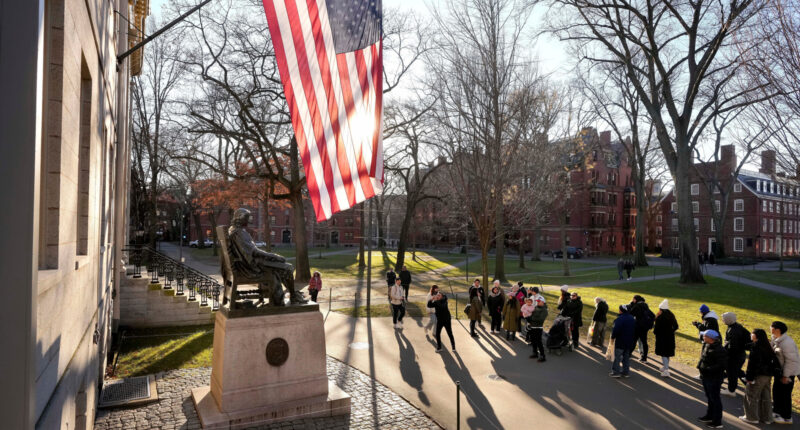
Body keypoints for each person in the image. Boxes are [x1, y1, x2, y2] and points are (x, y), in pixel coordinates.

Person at [739, 329, 778, 425]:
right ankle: (767, 418)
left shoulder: (756, 348)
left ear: (756, 336)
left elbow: (753, 364)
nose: (751, 335)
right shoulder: (767, 345)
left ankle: (751, 417)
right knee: (766, 397)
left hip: (758, 375)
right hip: (768, 375)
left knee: (751, 395)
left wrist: (749, 378)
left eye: (752, 333)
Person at [771, 321, 800, 425]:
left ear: (777, 330)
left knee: (785, 395)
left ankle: (787, 417)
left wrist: (786, 376)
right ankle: (777, 412)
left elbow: (791, 361)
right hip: (780, 372)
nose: (770, 329)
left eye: (772, 327)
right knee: (777, 392)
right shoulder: (776, 339)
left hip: (788, 373)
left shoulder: (787, 343)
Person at [697, 329, 727, 429]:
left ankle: (717, 422)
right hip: (706, 376)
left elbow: (721, 365)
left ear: (711, 338)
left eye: (704, 336)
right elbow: (703, 358)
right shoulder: (707, 344)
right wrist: (700, 366)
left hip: (714, 378)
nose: (703, 337)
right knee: (710, 398)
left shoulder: (719, 350)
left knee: (715, 399)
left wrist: (708, 369)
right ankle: (709, 416)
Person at [721, 312, 750, 397]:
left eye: (724, 319)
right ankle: (750, 386)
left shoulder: (733, 331)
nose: (722, 320)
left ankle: (731, 390)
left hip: (734, 357)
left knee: (732, 373)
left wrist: (725, 351)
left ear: (728, 320)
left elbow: (732, 346)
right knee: (738, 372)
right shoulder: (737, 326)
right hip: (740, 355)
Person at [653, 299, 678, 377]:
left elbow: (656, 329)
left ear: (661, 310)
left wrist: (656, 318)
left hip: (661, 338)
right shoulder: (671, 315)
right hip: (670, 337)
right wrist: (671, 331)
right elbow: (676, 326)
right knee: (667, 353)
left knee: (663, 353)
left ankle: (666, 370)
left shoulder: (660, 318)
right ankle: (665, 366)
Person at [610, 305, 636, 378]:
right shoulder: (632, 318)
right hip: (629, 341)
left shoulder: (620, 319)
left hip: (621, 341)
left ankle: (616, 372)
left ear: (621, 310)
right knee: (626, 357)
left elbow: (616, 330)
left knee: (617, 357)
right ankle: (625, 372)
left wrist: (613, 337)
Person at [427, 285, 456, 353]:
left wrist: (436, 300)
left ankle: (453, 346)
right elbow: (429, 305)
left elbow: (442, 306)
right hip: (440, 320)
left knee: (449, 333)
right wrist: (431, 300)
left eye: (439, 295)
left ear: (442, 296)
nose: (437, 296)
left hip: (446, 320)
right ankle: (439, 347)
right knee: (437, 333)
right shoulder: (437, 302)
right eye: (437, 295)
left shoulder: (444, 301)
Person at [629, 295, 655, 362]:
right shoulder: (645, 306)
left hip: (638, 326)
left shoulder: (637, 306)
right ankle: (644, 358)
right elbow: (653, 315)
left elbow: (630, 313)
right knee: (644, 342)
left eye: (633, 299)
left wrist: (631, 305)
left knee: (633, 341)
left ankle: (628, 354)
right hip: (644, 328)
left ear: (635, 299)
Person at [529, 298, 548, 362]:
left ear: (543, 302)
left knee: (538, 341)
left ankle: (542, 356)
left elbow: (541, 319)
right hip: (532, 327)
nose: (538, 303)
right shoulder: (535, 307)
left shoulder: (544, 310)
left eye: (539, 301)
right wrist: (529, 318)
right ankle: (535, 353)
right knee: (533, 340)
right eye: (537, 301)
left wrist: (532, 318)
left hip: (538, 328)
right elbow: (531, 315)